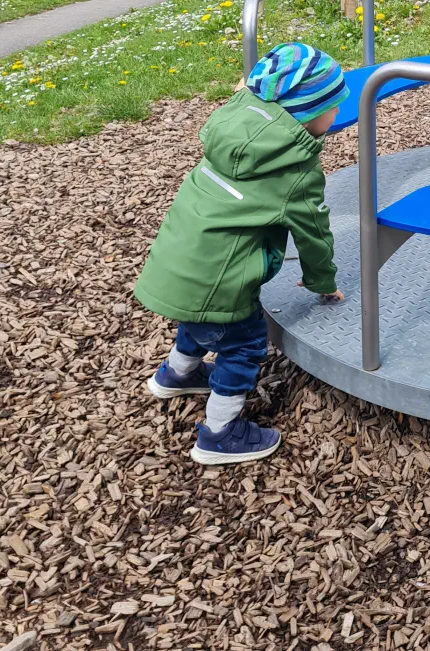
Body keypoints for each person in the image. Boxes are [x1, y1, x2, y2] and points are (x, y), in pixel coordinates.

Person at [134, 42, 350, 466]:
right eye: (333, 106)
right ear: (306, 113)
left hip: (178, 264)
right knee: (244, 344)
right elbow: (314, 234)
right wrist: (323, 282)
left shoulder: (232, 132)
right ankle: (219, 434)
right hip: (220, 284)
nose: (338, 115)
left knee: (199, 322)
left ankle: (175, 375)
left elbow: (248, 91)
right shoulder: (295, 171)